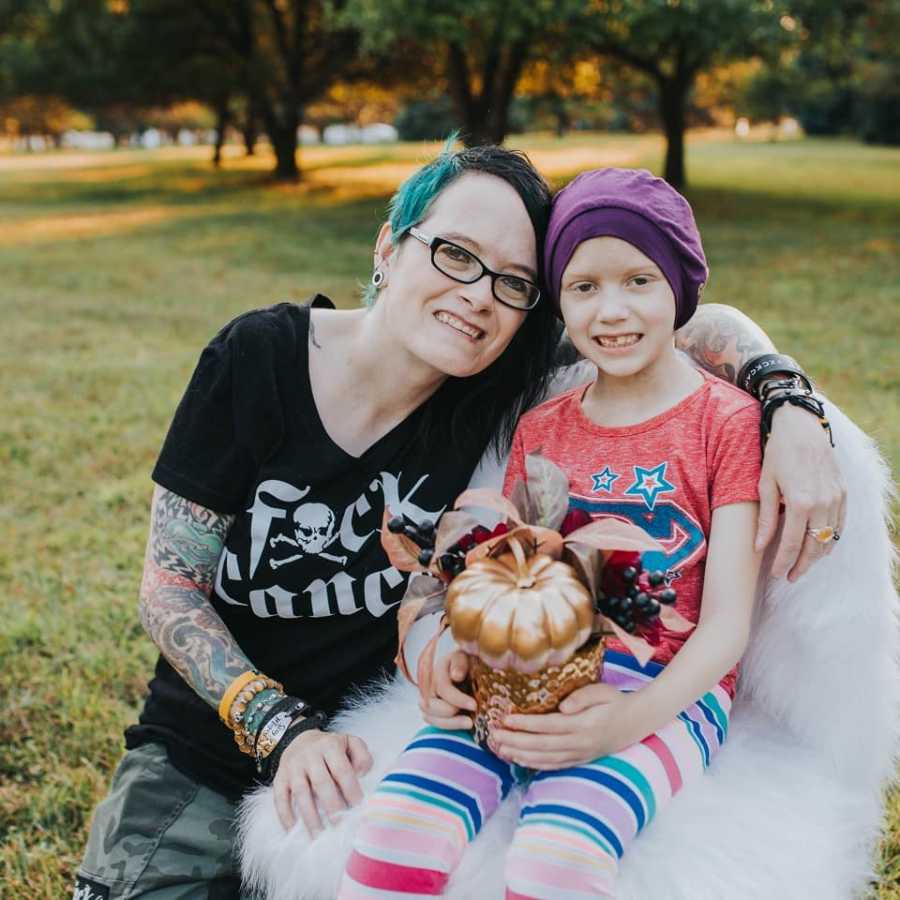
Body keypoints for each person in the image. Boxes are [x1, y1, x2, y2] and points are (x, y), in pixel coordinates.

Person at [74, 144, 842, 900]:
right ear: (389, 247)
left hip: (375, 741)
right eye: (454, 254)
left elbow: (692, 315)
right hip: (209, 750)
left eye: (513, 282)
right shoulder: (260, 358)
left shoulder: (500, 387)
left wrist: (791, 403)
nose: (479, 295)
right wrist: (286, 731)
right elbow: (168, 586)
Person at [337, 167, 831, 898]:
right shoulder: (542, 428)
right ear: (559, 303)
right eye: (583, 287)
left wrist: (626, 722)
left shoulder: (723, 424)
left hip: (666, 693)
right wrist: (453, 651)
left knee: (556, 861)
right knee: (395, 831)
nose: (612, 310)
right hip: (524, 667)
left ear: (680, 290)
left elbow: (726, 627)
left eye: (639, 280)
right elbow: (500, 572)